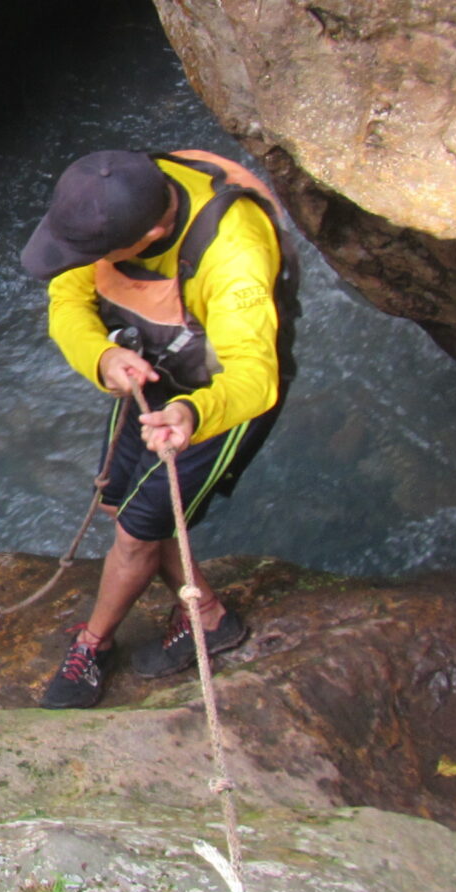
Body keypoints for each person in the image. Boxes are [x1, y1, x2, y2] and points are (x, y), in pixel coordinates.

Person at [20, 148, 297, 708]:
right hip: (153, 368)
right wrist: (100, 357)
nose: (79, 259)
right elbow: (67, 297)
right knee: (119, 504)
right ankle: (209, 615)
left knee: (137, 534)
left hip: (223, 397)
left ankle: (94, 647)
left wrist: (193, 415)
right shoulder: (113, 192)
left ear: (153, 232)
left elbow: (254, 376)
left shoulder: (232, 251)